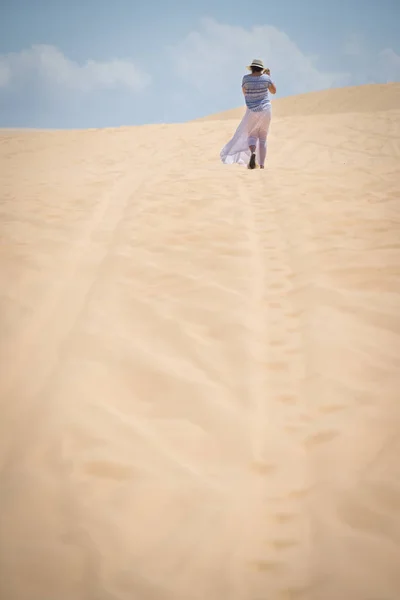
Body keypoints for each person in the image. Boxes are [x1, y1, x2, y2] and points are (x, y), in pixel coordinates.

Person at [220, 59, 276, 169]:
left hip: (251, 111)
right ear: (261, 68)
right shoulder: (266, 78)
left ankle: (253, 152)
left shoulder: (246, 79)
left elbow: (244, 93)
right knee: (263, 138)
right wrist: (268, 77)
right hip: (265, 110)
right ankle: (262, 165)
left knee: (252, 136)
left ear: (252, 68)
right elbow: (273, 91)